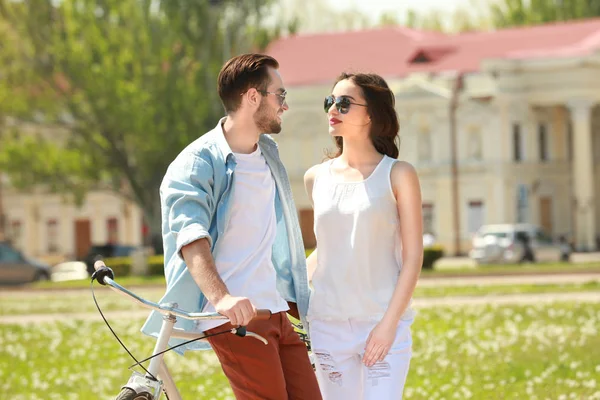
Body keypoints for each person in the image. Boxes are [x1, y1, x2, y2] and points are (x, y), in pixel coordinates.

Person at [141, 53, 321, 400]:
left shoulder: (268, 153)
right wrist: (221, 297)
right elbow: (190, 236)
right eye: (279, 95)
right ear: (252, 97)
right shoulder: (198, 162)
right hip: (234, 319)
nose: (284, 105)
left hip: (276, 312)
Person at [303, 72, 423, 399]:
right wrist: (288, 284)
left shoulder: (398, 174)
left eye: (344, 103)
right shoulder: (315, 178)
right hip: (327, 324)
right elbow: (327, 251)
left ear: (371, 114)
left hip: (382, 323)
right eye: (330, 101)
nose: (333, 109)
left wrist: (388, 326)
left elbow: (413, 258)